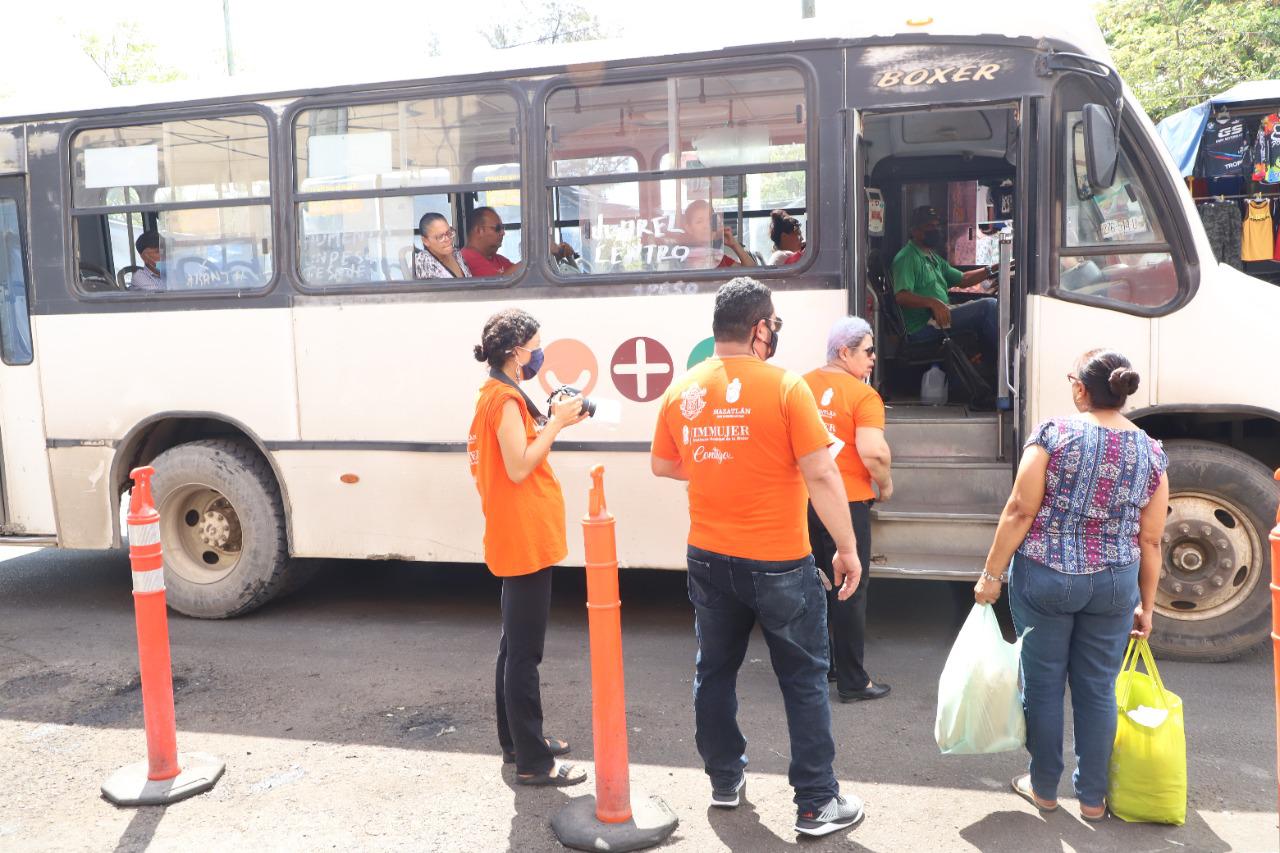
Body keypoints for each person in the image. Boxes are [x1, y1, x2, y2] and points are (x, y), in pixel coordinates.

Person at [650, 277, 865, 838]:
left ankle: (725, 781)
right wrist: (846, 548)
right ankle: (817, 803)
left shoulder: (683, 389)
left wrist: (721, 460)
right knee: (803, 678)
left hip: (709, 556)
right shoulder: (786, 387)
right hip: (779, 562)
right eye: (775, 325)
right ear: (759, 328)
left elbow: (665, 465)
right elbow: (820, 471)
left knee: (713, 670)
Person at [974, 348, 1168, 822]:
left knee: (1042, 687)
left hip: (1045, 576)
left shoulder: (1053, 435)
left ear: (1081, 388)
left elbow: (1020, 510)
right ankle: (1093, 799)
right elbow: (1152, 538)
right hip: (1115, 583)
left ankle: (1043, 789)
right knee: (1097, 688)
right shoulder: (1151, 450)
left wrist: (991, 576)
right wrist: (1147, 605)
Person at [468, 308, 589, 786]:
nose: (539, 352)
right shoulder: (504, 402)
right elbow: (518, 467)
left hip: (515, 532)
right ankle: (535, 763)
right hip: (523, 537)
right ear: (516, 352)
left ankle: (516, 743)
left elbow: (513, 456)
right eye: (536, 344)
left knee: (511, 647)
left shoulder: (495, 395)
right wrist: (556, 424)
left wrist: (554, 422)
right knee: (524, 655)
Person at [804, 316, 893, 703]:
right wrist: (886, 485)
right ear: (845, 352)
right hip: (847, 502)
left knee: (816, 585)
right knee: (849, 588)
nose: (874, 358)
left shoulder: (800, 386)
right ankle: (854, 682)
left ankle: (823, 667)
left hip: (804, 500)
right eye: (868, 351)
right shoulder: (862, 395)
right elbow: (873, 452)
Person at [891, 205, 1002, 359]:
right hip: (924, 326)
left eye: (937, 225)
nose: (935, 230)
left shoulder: (932, 257)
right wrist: (933, 303)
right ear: (915, 231)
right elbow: (901, 296)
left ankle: (990, 368)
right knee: (988, 306)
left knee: (993, 304)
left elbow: (964, 279)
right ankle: (1007, 363)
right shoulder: (907, 258)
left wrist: (994, 269)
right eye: (929, 226)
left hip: (943, 317)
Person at [461, 206, 577, 277]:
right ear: (479, 231)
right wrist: (542, 251)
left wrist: (556, 255)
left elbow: (525, 275)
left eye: (503, 228)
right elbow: (500, 284)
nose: (503, 233)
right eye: (497, 228)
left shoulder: (498, 259)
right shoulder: (467, 258)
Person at [675, 199, 757, 269]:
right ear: (688, 228)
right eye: (699, 221)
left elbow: (752, 271)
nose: (706, 226)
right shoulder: (682, 256)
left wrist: (734, 244)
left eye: (710, 220)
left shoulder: (717, 257)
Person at [415, 213, 472, 279]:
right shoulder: (424, 261)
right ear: (425, 241)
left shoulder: (455, 253)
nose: (447, 239)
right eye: (440, 237)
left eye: (449, 233)